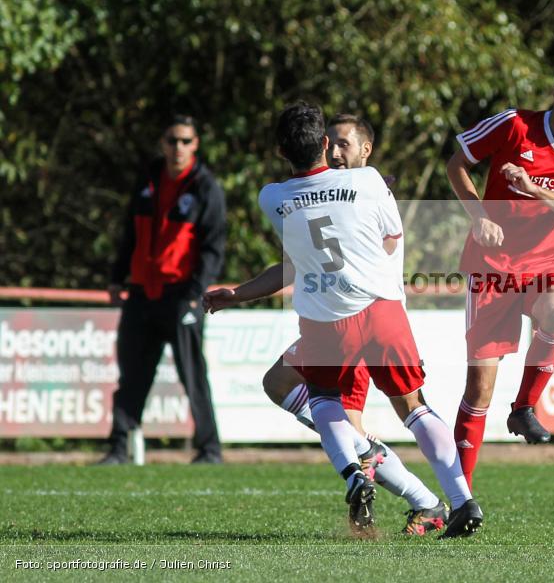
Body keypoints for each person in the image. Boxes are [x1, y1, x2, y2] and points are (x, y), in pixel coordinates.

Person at [206, 102, 481, 538]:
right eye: (334, 144)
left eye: (346, 144)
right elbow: (388, 238)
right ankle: (457, 499)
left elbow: (302, 257)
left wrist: (237, 292)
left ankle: (374, 479)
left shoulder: (274, 197)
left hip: (330, 318)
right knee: (409, 408)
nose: (338, 153)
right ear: (325, 143)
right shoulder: (371, 183)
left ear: (281, 151)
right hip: (381, 311)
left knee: (324, 403)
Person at [446, 59, 554, 488]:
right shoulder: (513, 125)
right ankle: (460, 497)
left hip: (547, 262)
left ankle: (524, 407)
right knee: (478, 391)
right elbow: (456, 164)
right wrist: (478, 215)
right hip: (492, 267)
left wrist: (534, 188)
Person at [100, 115, 226, 465]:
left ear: (196, 144)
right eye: (172, 140)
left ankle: (209, 450)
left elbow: (214, 248)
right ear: (162, 143)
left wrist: (195, 293)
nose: (178, 148)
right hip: (142, 293)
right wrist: (117, 276)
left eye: (185, 141)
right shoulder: (149, 179)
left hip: (180, 294)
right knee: (132, 374)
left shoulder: (205, 187)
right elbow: (131, 233)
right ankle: (118, 448)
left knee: (192, 374)